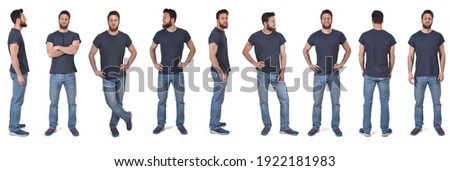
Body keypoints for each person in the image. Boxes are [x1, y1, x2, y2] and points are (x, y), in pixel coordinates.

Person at [242, 12, 299, 136]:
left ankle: (284, 127)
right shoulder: (255, 36)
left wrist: (283, 71)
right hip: (262, 74)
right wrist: (255, 63)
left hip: (277, 74)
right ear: (265, 23)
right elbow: (245, 51)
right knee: (263, 101)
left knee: (284, 100)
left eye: (275, 21)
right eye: (272, 21)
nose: (275, 23)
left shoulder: (279, 36)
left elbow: (283, 55)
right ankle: (267, 125)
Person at [88, 11, 137, 137]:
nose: (113, 22)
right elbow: (91, 54)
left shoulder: (124, 37)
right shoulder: (100, 37)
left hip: (121, 76)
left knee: (118, 103)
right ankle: (127, 116)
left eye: (115, 20)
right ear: (108, 21)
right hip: (107, 77)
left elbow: (134, 52)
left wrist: (128, 65)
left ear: (119, 21)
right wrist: (95, 70)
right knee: (111, 103)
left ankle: (113, 125)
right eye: (111, 20)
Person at [303, 9, 351, 137]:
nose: (326, 20)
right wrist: (310, 64)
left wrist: (342, 63)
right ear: (321, 20)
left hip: (334, 74)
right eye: (324, 18)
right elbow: (305, 50)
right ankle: (315, 126)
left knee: (335, 102)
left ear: (331, 20)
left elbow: (348, 49)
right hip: (319, 75)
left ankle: (335, 126)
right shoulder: (315, 36)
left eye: (328, 18)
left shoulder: (339, 35)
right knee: (317, 102)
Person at [150, 8, 196, 135]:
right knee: (161, 101)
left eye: (165, 17)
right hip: (162, 74)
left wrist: (186, 62)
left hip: (178, 74)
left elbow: (192, 48)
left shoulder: (183, 33)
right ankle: (160, 124)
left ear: (172, 19)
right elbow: (152, 48)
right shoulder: (159, 34)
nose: (162, 19)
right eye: (163, 17)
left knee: (180, 100)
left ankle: (180, 123)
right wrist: (154, 63)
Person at [407, 10, 446, 136]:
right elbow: (410, 56)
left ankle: (438, 125)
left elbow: (443, 54)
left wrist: (442, 71)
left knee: (437, 103)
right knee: (418, 103)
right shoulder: (414, 37)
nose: (427, 20)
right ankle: (418, 125)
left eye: (429, 18)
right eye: (425, 18)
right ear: (421, 20)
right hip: (419, 76)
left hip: (434, 76)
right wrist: (409, 72)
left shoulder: (438, 36)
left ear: (432, 20)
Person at [358, 10, 396, 137]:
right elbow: (392, 57)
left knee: (367, 102)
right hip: (384, 74)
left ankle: (367, 130)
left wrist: (362, 69)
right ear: (383, 20)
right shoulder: (389, 37)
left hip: (369, 73)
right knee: (384, 103)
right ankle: (385, 130)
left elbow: (360, 54)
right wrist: (390, 70)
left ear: (372, 20)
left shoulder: (364, 36)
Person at [44, 10, 81, 137]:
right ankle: (52, 126)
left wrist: (58, 47)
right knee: (53, 102)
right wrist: (67, 49)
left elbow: (74, 50)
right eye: (62, 18)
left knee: (72, 102)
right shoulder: (51, 36)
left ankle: (72, 126)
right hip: (55, 75)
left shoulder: (75, 35)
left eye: (66, 19)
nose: (64, 20)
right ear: (58, 20)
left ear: (69, 20)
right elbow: (50, 53)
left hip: (70, 74)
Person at [8, 9, 30, 137]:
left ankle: (13, 122)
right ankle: (14, 128)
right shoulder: (15, 35)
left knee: (15, 99)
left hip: (18, 72)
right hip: (18, 73)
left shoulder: (16, 33)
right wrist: (20, 75)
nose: (25, 19)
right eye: (23, 16)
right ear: (18, 20)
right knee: (17, 100)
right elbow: (13, 57)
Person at [209, 9, 231, 135]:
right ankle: (214, 126)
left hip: (223, 71)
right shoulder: (215, 34)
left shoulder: (221, 33)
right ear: (217, 20)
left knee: (218, 98)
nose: (225, 20)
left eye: (227, 18)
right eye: (223, 18)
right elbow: (212, 56)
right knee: (217, 99)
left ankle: (215, 120)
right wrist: (221, 73)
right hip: (219, 72)